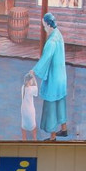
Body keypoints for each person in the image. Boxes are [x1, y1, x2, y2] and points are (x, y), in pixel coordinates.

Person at [28, 12, 68, 141]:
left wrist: (34, 71)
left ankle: (52, 137)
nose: (43, 27)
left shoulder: (51, 41)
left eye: (43, 25)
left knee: (51, 105)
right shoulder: (58, 34)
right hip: (61, 75)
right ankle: (64, 129)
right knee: (60, 101)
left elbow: (45, 59)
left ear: (47, 24)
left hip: (54, 76)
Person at [20, 71, 38, 141]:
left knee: (23, 125)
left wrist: (31, 76)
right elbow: (36, 90)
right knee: (33, 125)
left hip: (23, 109)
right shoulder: (31, 89)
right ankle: (34, 139)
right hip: (30, 110)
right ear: (29, 81)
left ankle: (24, 139)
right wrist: (34, 76)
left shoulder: (23, 87)